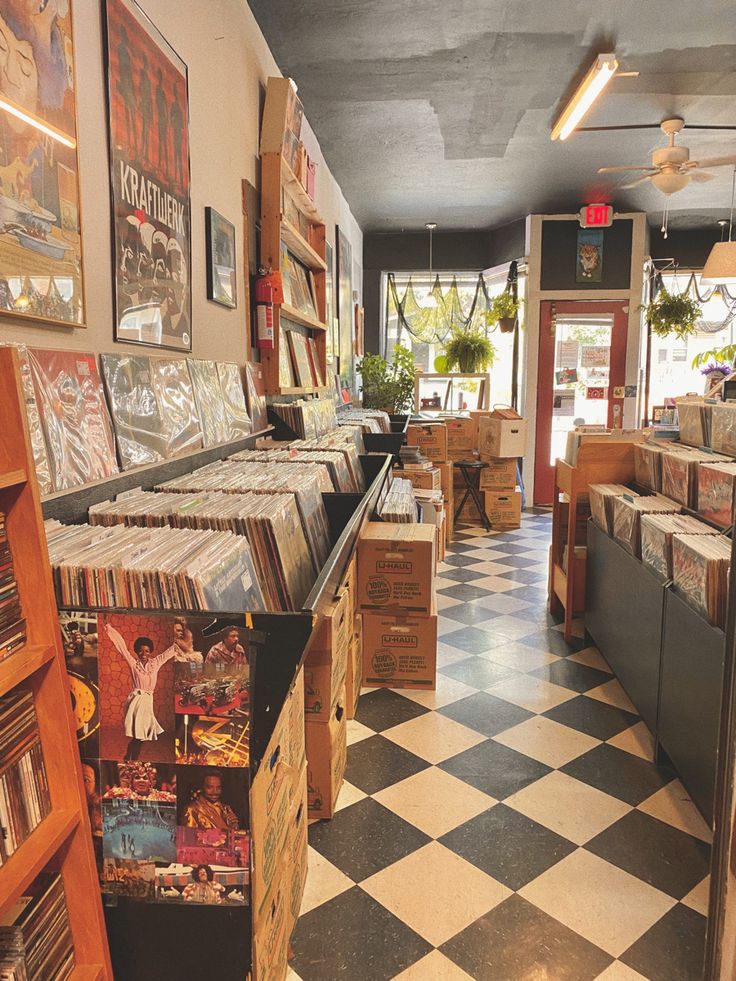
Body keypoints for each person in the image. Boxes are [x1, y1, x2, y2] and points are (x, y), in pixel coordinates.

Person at [104, 623, 176, 761]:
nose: (144, 654)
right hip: (137, 701)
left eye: (147, 651)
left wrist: (183, 640)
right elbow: (121, 647)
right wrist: (109, 628)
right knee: (139, 736)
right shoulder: (133, 663)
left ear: (151, 652)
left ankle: (128, 757)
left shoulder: (156, 662)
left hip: (148, 701)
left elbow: (169, 652)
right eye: (141, 651)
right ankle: (133, 759)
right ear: (137, 651)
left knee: (141, 736)